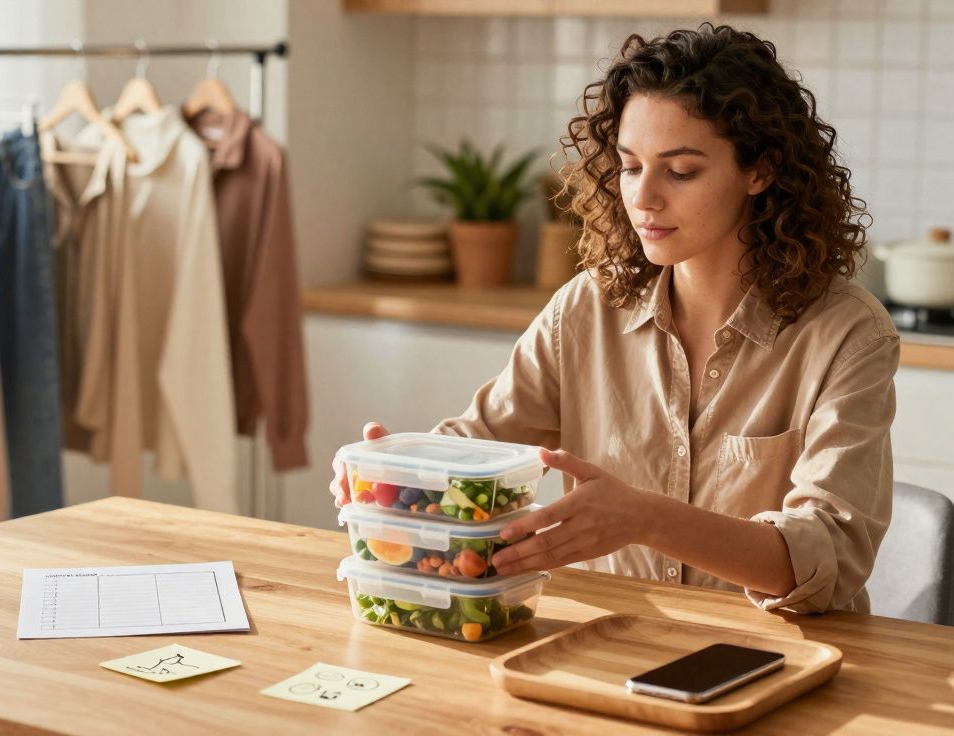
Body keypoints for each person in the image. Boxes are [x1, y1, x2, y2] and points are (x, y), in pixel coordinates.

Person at [332, 24, 897, 614]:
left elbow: (828, 559)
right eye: (630, 166)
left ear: (760, 171)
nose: (644, 198)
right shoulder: (585, 308)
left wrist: (647, 518)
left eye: (680, 171)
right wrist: (392, 472)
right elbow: (480, 446)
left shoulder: (847, 335)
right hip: (612, 642)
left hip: (782, 659)